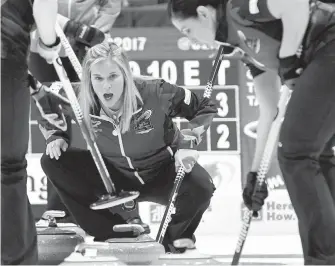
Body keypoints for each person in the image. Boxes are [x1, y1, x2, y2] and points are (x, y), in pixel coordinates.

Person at [168, 0, 335, 264]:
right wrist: (255, 174)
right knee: (317, 155)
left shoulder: (240, 8)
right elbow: (269, 111)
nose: (192, 41)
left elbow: (295, 5)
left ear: (203, 13)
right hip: (321, 57)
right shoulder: (242, 47)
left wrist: (289, 57)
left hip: (328, 45)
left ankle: (323, 260)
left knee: (297, 154)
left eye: (188, 31)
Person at [38, 39, 216, 252]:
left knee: (201, 187)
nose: (106, 85)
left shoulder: (155, 92)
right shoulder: (78, 97)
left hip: (163, 172)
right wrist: (56, 134)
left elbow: (204, 107)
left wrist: (188, 143)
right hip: (114, 175)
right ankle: (111, 231)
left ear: (126, 74)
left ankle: (172, 242)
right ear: (89, 79)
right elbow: (44, 99)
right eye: (98, 78)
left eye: (113, 76)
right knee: (53, 161)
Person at [1, 0, 69, 263]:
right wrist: (49, 44)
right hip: (6, 59)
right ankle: (19, 260)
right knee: (9, 169)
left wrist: (34, 88)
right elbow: (43, 7)